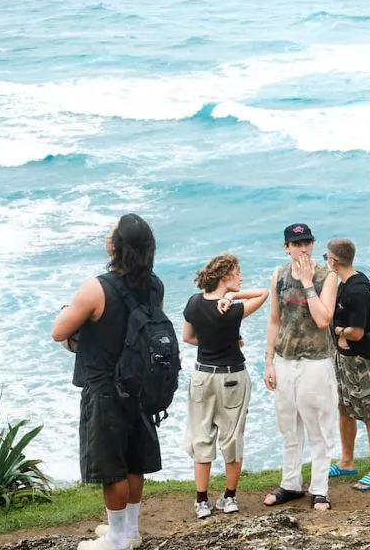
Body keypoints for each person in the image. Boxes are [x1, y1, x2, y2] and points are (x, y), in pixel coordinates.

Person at [51, 213, 163, 550]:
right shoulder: (155, 285)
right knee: (134, 461)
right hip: (140, 385)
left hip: (105, 389)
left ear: (116, 246)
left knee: (112, 467)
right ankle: (130, 532)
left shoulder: (96, 288)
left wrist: (69, 309)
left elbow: (59, 331)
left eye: (111, 232)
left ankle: (115, 540)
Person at [181, 254, 269, 518]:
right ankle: (229, 498)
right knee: (231, 438)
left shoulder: (193, 302)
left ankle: (201, 501)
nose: (241, 277)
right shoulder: (231, 309)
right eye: (237, 273)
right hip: (232, 377)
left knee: (201, 436)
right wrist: (232, 296)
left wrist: (211, 341)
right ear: (225, 277)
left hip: (203, 377)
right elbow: (264, 293)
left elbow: (188, 337)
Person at [262, 223, 339, 511]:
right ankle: (291, 483)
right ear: (287, 248)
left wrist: (307, 283)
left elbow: (323, 319)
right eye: (297, 244)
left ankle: (320, 489)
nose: (303, 249)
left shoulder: (327, 277)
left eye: (307, 243)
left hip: (315, 360)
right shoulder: (279, 275)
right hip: (285, 359)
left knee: (319, 427)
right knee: (288, 426)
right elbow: (274, 320)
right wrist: (268, 361)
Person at [324, 238, 370, 492]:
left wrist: (337, 330)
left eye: (326, 257)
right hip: (343, 356)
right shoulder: (345, 284)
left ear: (333, 261)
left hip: (360, 359)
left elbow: (357, 332)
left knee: (368, 412)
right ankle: (347, 461)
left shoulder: (357, 290)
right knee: (344, 406)